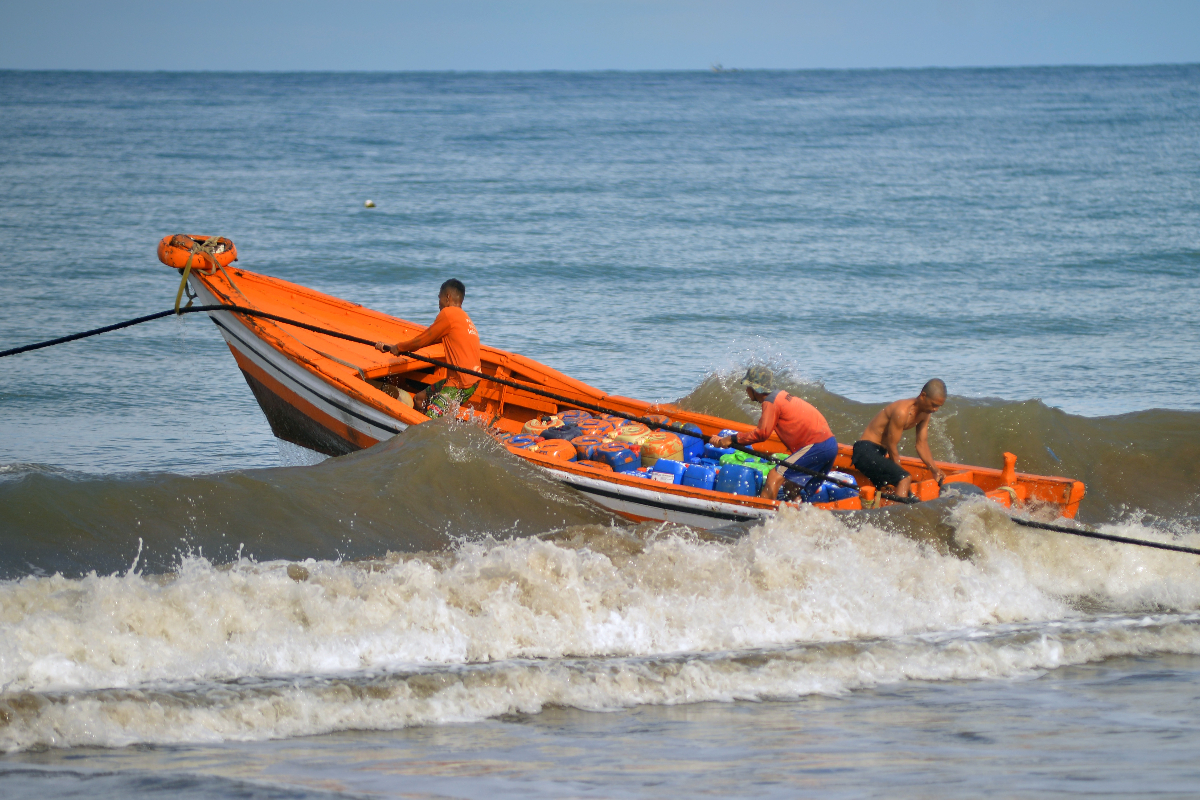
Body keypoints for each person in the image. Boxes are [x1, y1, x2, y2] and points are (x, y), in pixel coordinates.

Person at [708, 366, 838, 501]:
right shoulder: (780, 396)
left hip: (817, 446)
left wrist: (731, 439)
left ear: (755, 388)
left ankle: (762, 511)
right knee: (791, 487)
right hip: (830, 445)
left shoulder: (770, 402)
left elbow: (762, 434)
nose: (746, 390)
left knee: (774, 476)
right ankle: (797, 509)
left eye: (747, 386)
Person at [375, 279, 481, 418]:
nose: (439, 303)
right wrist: (392, 347)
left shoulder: (448, 314)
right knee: (419, 399)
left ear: (447, 297)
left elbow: (420, 341)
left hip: (459, 383)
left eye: (439, 298)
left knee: (430, 419)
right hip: (473, 381)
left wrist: (398, 348)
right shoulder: (464, 318)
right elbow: (429, 340)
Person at [851, 379, 947, 499]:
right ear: (923, 396)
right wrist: (901, 475)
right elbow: (891, 446)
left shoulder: (925, 414)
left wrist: (934, 470)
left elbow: (921, 444)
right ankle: (899, 510)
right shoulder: (902, 411)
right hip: (865, 451)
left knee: (887, 490)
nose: (935, 409)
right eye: (934, 405)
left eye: (939, 406)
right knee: (904, 478)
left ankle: (886, 507)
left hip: (879, 454)